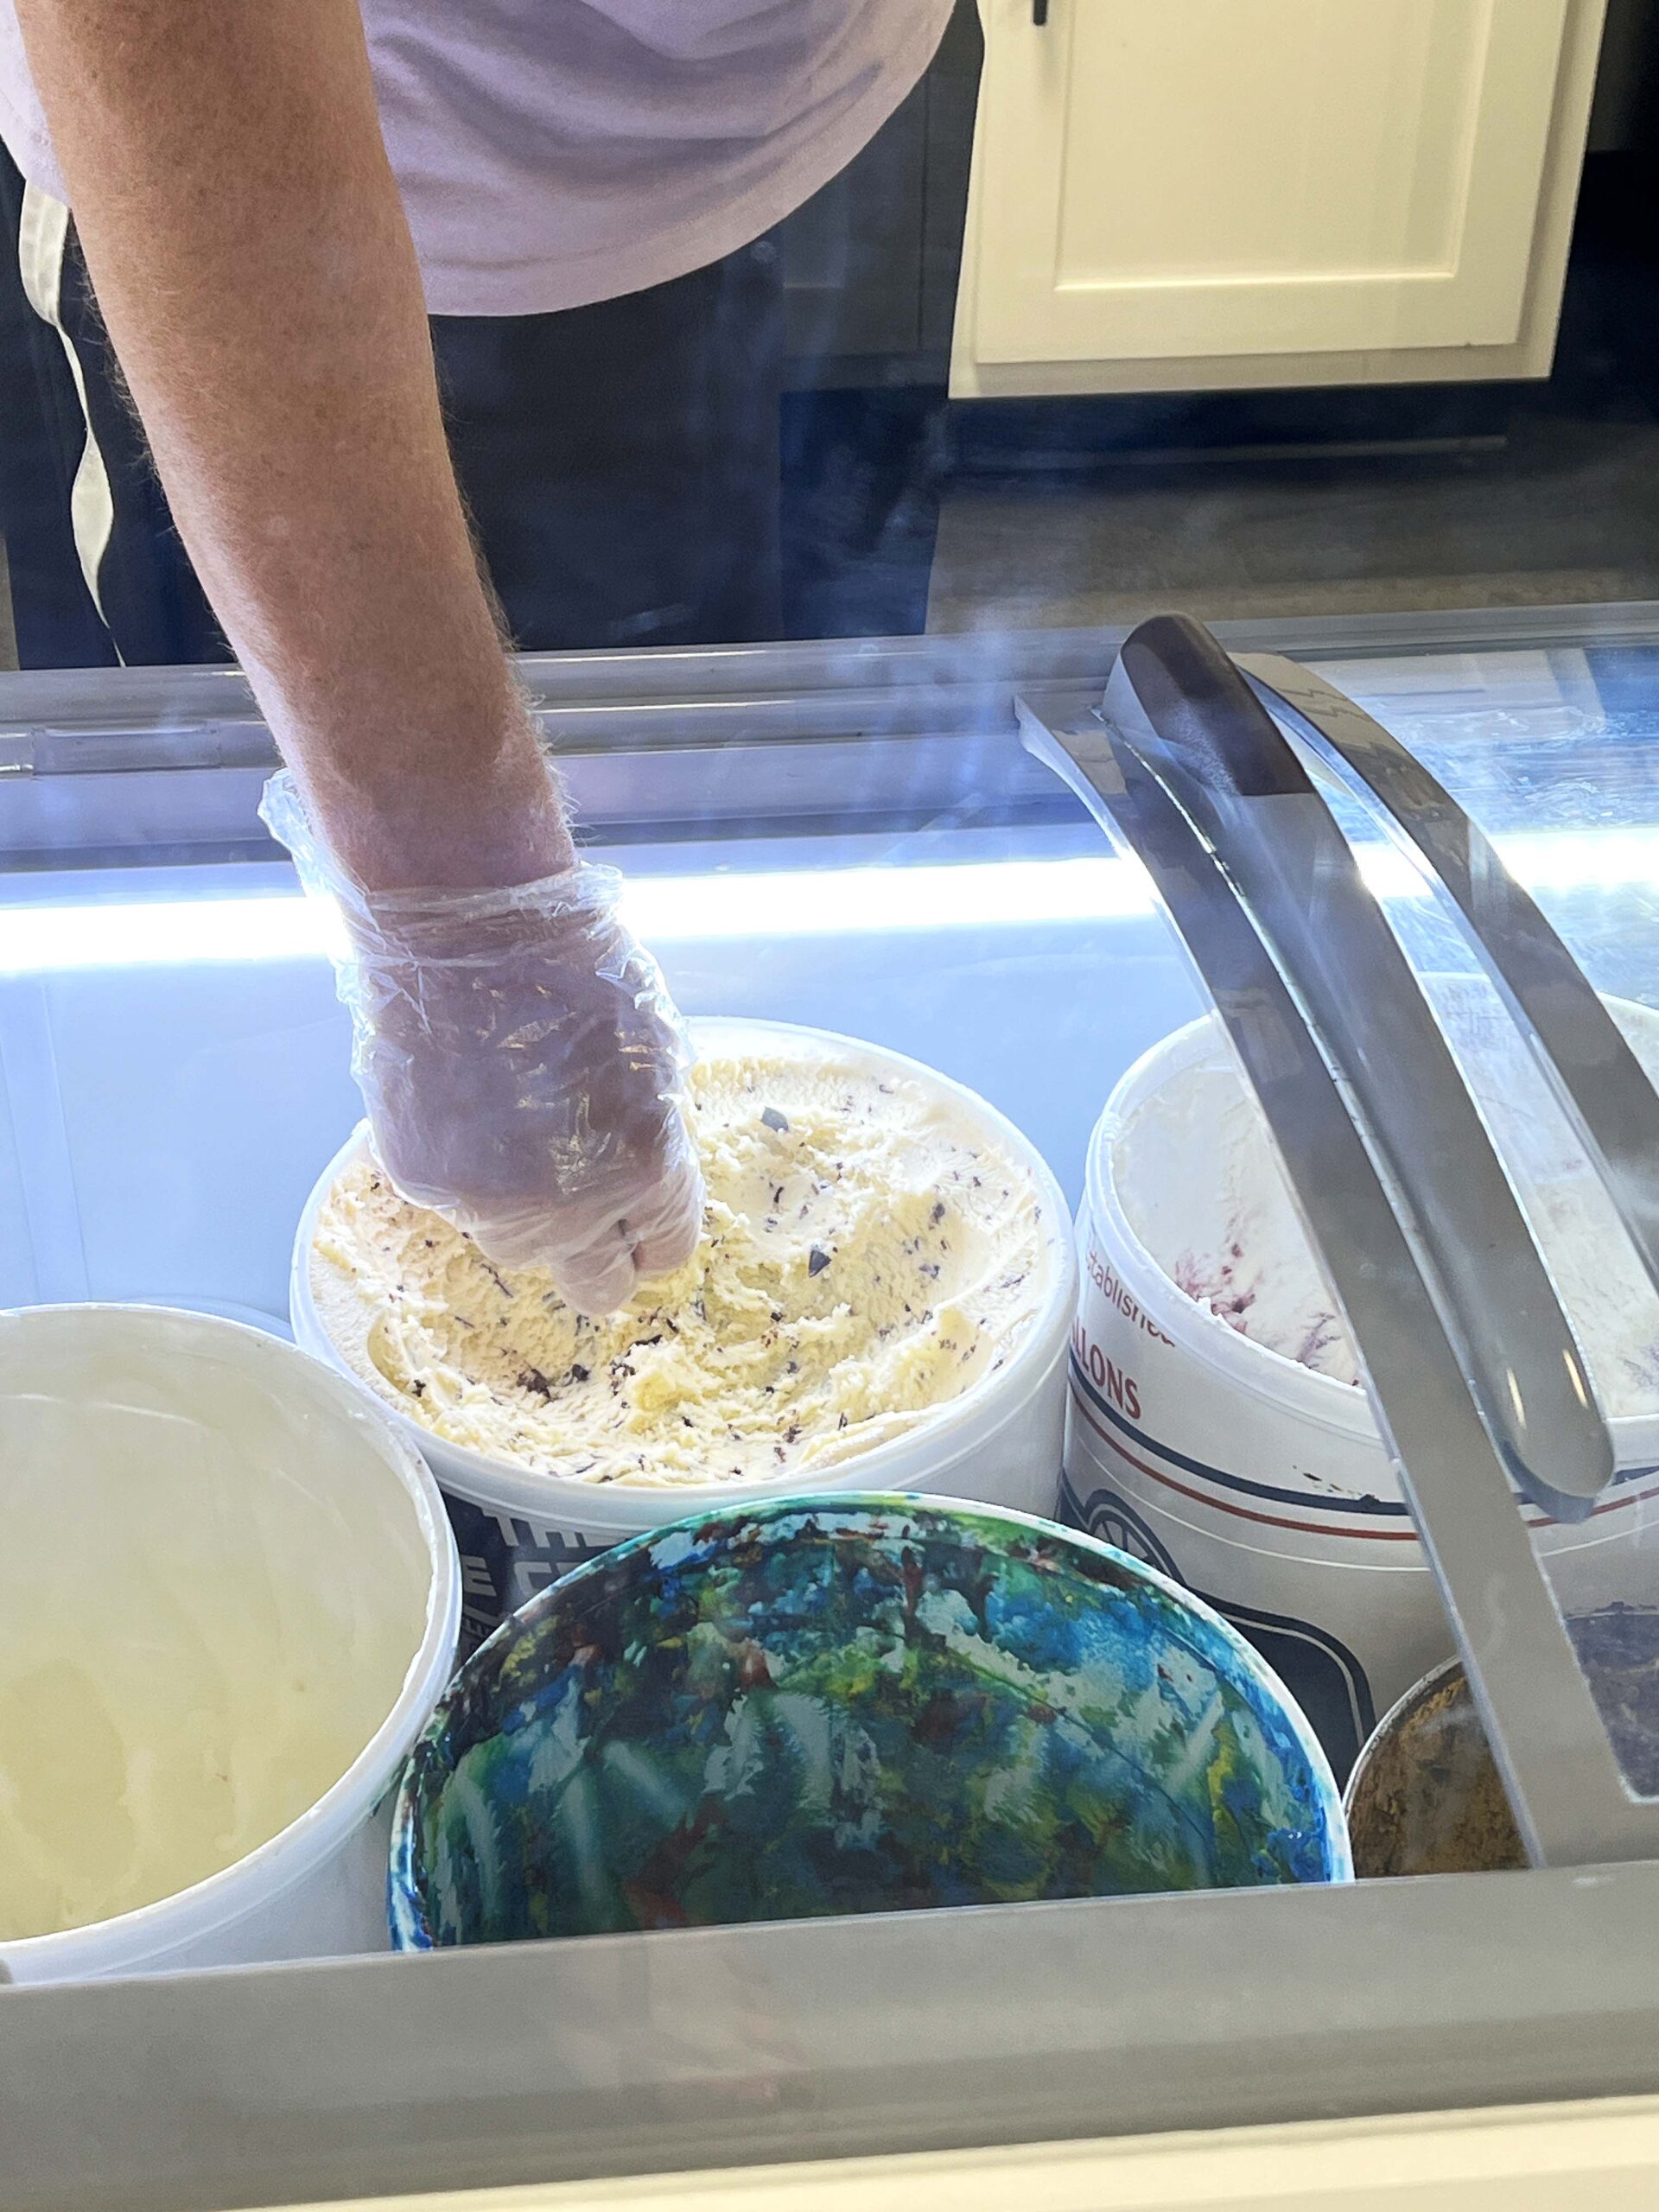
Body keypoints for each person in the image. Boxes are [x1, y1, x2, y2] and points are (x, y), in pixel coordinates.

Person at [0, 0, 952, 1313]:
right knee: (260, 1006)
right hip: (286, 227)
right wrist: (458, 916)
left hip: (818, 118)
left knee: (746, 839)